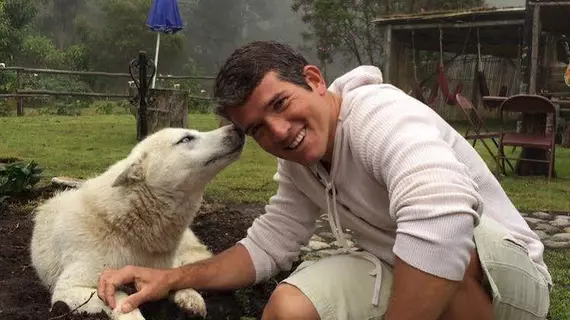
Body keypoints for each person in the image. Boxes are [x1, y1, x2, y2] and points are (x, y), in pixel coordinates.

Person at [98, 40, 552, 320]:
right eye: (257, 128)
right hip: (401, 267)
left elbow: (445, 219)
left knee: (446, 238)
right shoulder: (299, 164)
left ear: (314, 80)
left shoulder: (379, 116)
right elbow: (266, 246)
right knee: (289, 308)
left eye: (279, 104)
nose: (277, 132)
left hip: (510, 284)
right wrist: (171, 277)